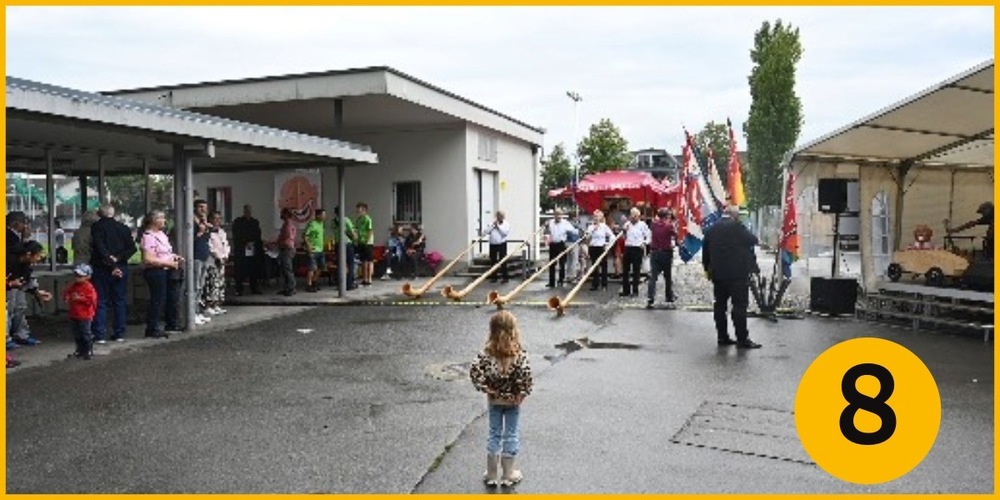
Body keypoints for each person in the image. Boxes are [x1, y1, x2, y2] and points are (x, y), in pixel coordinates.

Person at [469, 310, 533, 488]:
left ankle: (491, 474)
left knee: (494, 433)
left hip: (494, 400)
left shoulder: (487, 353)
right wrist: (521, 394)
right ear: (514, 330)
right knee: (511, 433)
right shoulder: (519, 354)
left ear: (492, 330)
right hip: (513, 401)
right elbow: (526, 376)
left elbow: (474, 371)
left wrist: (486, 388)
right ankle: (508, 474)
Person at [702, 205, 762, 349]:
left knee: (720, 306)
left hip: (718, 274)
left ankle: (722, 337)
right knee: (739, 306)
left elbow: (705, 252)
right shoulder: (737, 227)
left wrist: (708, 270)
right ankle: (742, 339)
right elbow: (753, 240)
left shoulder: (711, 229)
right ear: (735, 216)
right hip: (737, 274)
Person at [89, 203, 137, 343]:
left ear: (99, 214)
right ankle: (119, 333)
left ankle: (99, 335)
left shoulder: (97, 227)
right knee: (119, 301)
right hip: (121, 267)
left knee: (101, 300)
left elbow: (99, 247)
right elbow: (132, 248)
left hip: (101, 267)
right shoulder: (123, 228)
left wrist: (110, 262)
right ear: (113, 213)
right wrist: (118, 259)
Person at [139, 210, 183, 338]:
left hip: (165, 270)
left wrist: (174, 257)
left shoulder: (162, 234)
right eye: (162, 218)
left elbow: (165, 252)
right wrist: (168, 263)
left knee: (166, 298)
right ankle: (152, 328)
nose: (164, 221)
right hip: (155, 271)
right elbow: (148, 259)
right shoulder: (148, 237)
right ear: (154, 221)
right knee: (157, 299)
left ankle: (165, 324)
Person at [7, 240, 52, 347]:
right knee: (8, 310)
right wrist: (10, 283)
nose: (38, 258)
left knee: (20, 307)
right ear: (28, 254)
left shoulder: (26, 264)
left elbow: (28, 279)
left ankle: (21, 335)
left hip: (16, 287)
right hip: (7, 288)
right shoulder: (8, 260)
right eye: (37, 255)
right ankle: (5, 339)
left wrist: (37, 292)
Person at [63, 263, 98, 360]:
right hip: (74, 314)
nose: (77, 278)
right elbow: (67, 292)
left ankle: (88, 350)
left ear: (88, 277)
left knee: (85, 333)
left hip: (85, 315)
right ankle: (79, 350)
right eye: (76, 275)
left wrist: (79, 298)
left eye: (80, 276)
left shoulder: (89, 287)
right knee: (77, 334)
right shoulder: (73, 286)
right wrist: (67, 297)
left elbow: (91, 300)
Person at [647, 207, 679, 309]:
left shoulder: (653, 225)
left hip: (654, 252)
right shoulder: (669, 226)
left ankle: (650, 297)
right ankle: (669, 296)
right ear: (666, 216)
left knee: (653, 276)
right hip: (666, 253)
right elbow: (676, 235)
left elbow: (653, 225)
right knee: (667, 276)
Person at [231, 204, 263, 296]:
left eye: (249, 211)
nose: (248, 212)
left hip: (252, 249)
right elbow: (236, 234)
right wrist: (245, 242)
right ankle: (239, 289)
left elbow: (258, 234)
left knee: (253, 269)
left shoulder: (255, 222)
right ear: (244, 211)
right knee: (240, 270)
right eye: (246, 211)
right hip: (241, 249)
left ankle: (254, 288)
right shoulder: (238, 222)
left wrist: (253, 242)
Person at [191, 199, 213, 325]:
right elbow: (190, 240)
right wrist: (200, 232)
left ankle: (198, 311)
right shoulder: (192, 223)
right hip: (196, 257)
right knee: (195, 286)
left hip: (204, 256)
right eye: (200, 207)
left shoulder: (203, 222)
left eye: (205, 207)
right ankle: (192, 313)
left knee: (201, 286)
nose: (203, 209)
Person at [620, 207, 651, 297]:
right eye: (631, 215)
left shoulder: (642, 225)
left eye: (635, 215)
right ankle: (626, 290)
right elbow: (623, 237)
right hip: (628, 247)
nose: (633, 217)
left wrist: (644, 243)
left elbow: (649, 236)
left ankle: (635, 290)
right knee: (625, 270)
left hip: (637, 248)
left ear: (638, 216)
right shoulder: (627, 224)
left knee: (636, 271)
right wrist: (624, 231)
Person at [204, 211, 230, 314]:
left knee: (220, 283)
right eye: (215, 218)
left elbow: (226, 244)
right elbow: (210, 247)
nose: (217, 221)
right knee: (211, 283)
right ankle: (208, 305)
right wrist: (217, 256)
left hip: (222, 259)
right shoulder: (208, 232)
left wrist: (226, 255)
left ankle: (216, 304)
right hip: (213, 260)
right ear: (210, 219)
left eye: (219, 218)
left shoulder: (222, 232)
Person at [544, 209, 577, 288]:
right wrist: (545, 226)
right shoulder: (550, 222)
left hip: (561, 244)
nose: (559, 216)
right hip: (552, 244)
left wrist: (576, 231)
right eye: (557, 214)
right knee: (552, 264)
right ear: (554, 215)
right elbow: (546, 231)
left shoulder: (565, 223)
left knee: (562, 263)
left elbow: (574, 231)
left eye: (560, 214)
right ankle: (551, 282)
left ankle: (561, 280)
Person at [586, 210, 614, 291]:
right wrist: (592, 230)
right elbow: (587, 237)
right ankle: (595, 284)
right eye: (594, 216)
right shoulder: (590, 227)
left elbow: (612, 236)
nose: (595, 218)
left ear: (600, 218)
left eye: (597, 216)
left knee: (604, 266)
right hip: (593, 247)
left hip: (601, 248)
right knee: (594, 267)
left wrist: (608, 245)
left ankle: (604, 284)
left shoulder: (604, 226)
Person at [331, 206, 358, 290]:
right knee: (350, 264)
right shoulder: (346, 220)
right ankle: (349, 284)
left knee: (340, 264)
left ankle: (340, 284)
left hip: (338, 244)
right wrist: (355, 239)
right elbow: (352, 233)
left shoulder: (333, 221)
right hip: (347, 244)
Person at [303, 208, 327, 292]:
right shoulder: (312, 224)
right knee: (312, 268)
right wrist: (308, 246)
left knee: (321, 267)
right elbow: (305, 235)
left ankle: (314, 281)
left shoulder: (321, 224)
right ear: (318, 216)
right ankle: (309, 285)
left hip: (320, 249)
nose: (325, 217)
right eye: (323, 215)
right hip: (313, 250)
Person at [275, 207, 298, 296]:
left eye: (282, 213)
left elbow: (286, 238)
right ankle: (287, 288)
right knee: (285, 270)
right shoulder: (288, 224)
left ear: (286, 214)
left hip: (287, 249)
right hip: (287, 249)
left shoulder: (288, 225)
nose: (281, 215)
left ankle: (291, 288)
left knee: (287, 269)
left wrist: (275, 243)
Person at [484, 211, 511, 283]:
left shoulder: (506, 224)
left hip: (502, 244)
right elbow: (486, 232)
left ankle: (505, 277)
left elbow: (505, 233)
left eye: (501, 216)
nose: (499, 217)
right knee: (493, 261)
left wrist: (498, 227)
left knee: (503, 260)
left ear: (503, 217)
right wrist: (492, 226)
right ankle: (494, 277)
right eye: (498, 216)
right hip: (493, 244)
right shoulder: (492, 223)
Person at [355, 202, 375, 287]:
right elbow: (356, 230)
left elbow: (370, 231)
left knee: (369, 261)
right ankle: (364, 279)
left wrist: (367, 241)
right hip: (360, 242)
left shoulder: (368, 219)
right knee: (363, 261)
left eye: (358, 208)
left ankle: (369, 279)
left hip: (368, 243)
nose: (357, 210)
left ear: (364, 209)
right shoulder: (358, 220)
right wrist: (356, 240)